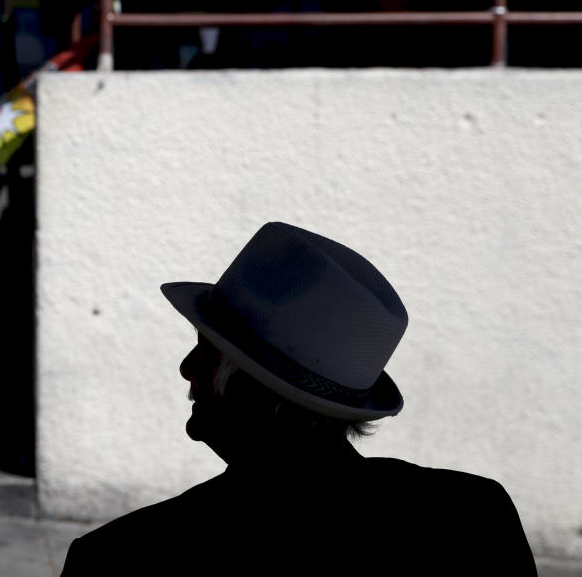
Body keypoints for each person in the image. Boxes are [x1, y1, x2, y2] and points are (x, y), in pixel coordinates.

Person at [60, 221, 537, 575]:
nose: (187, 368)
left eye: (207, 351)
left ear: (258, 393)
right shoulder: (474, 516)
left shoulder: (123, 561)